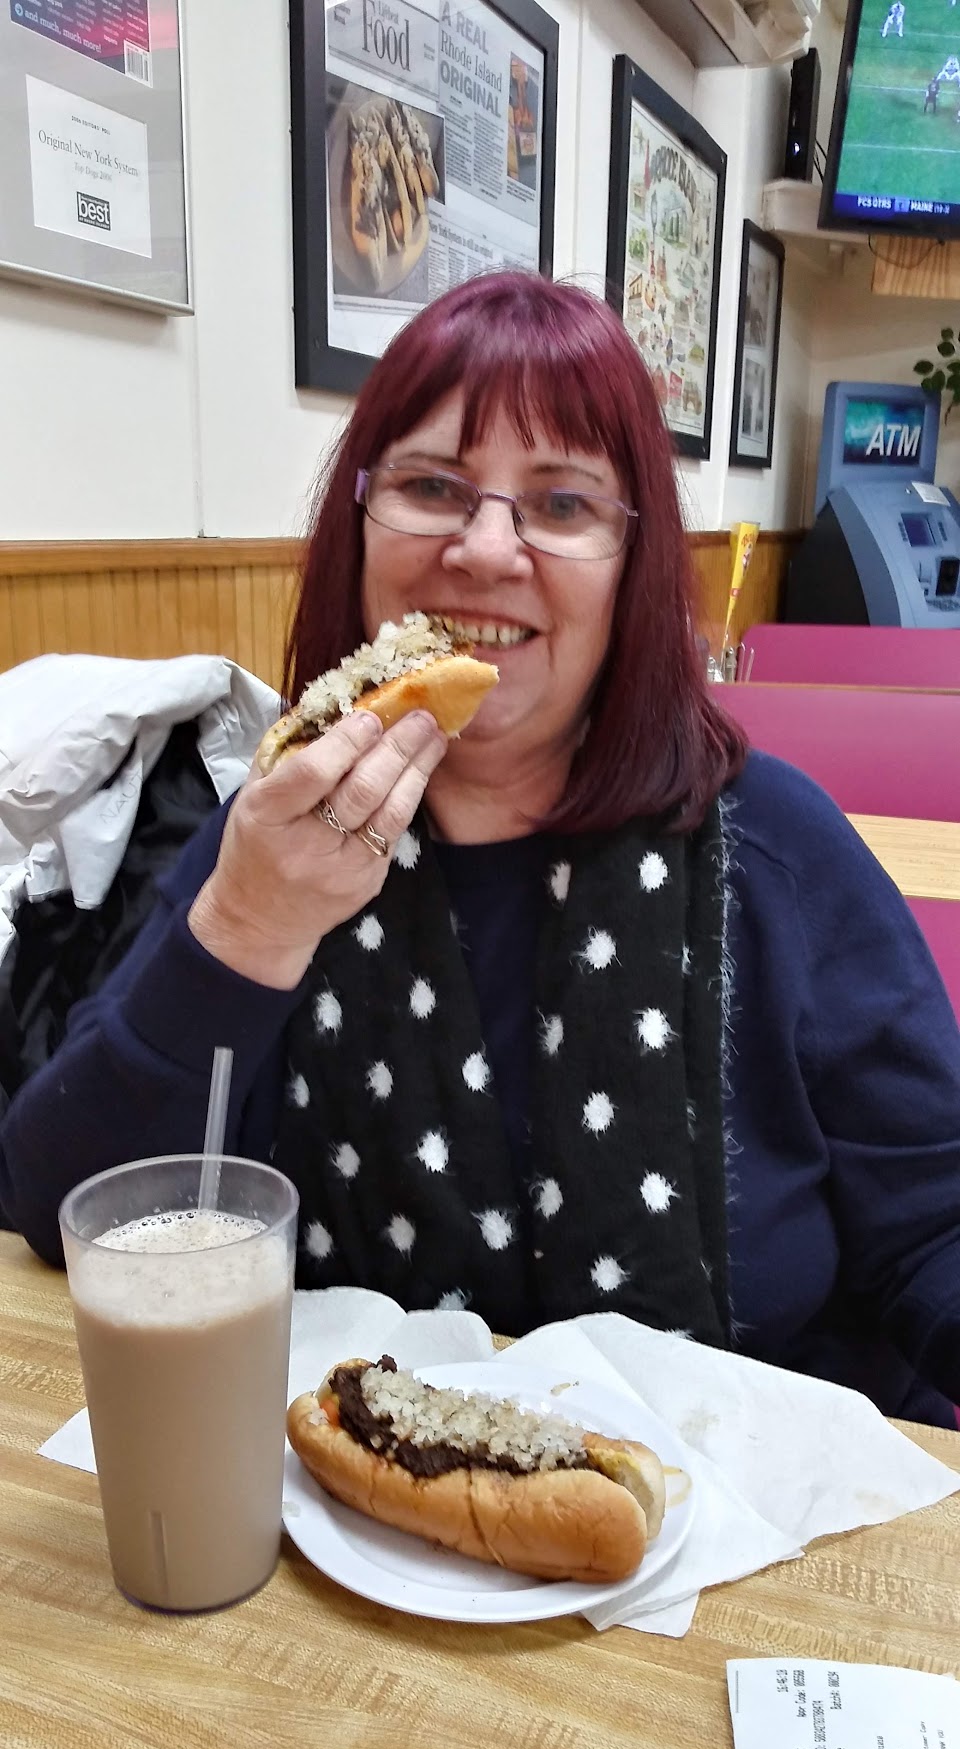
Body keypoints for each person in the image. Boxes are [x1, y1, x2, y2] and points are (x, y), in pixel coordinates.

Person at [1, 272, 959, 1425]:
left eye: (562, 503)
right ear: (358, 528)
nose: (487, 547)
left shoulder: (775, 856)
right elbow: (63, 1205)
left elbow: (936, 1229)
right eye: (431, 487)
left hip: (750, 1505)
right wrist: (246, 930)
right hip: (344, 1501)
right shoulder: (272, 836)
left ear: (634, 564)